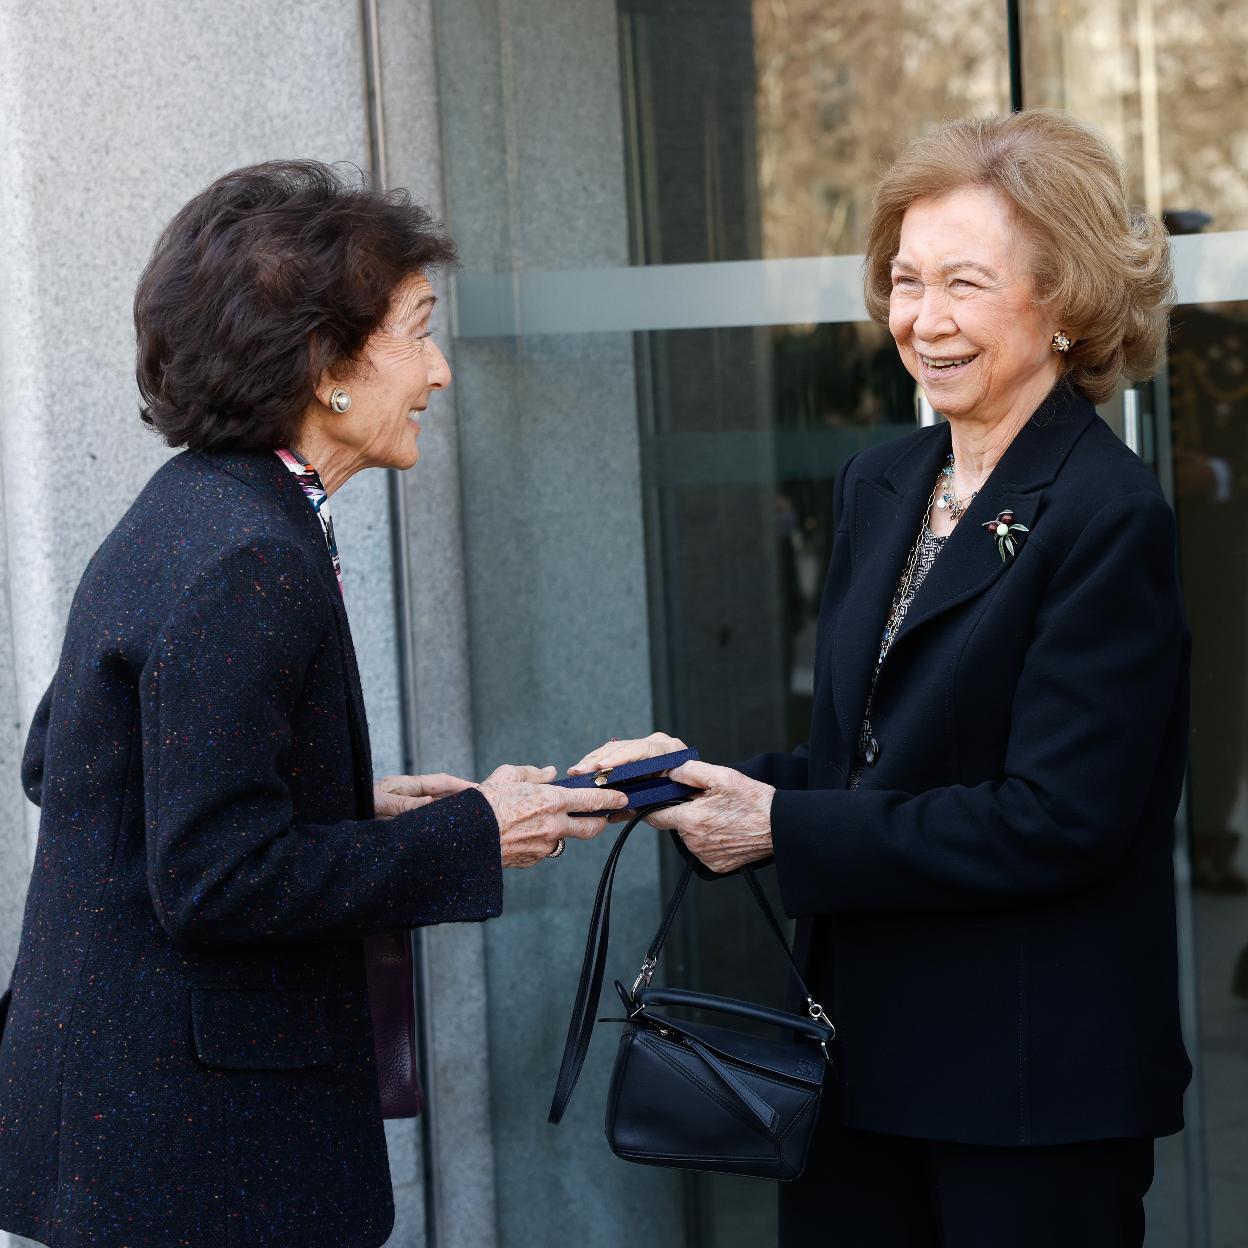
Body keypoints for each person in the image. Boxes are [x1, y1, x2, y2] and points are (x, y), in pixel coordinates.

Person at [572, 110, 1191, 1248]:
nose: (924, 319)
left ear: (1066, 300)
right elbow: (862, 759)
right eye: (907, 280)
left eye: (965, 283)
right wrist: (681, 781)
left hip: (1026, 1089)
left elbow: (1059, 821)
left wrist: (778, 826)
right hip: (854, 1061)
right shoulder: (884, 481)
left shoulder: (1109, 514)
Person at [0, 160, 626, 1248]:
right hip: (191, 1156)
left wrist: (335, 802)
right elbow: (213, 880)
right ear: (327, 365)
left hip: (127, 1130)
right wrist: (473, 832)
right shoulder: (249, 555)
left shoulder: (190, 507)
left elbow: (71, 763)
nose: (439, 372)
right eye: (418, 333)